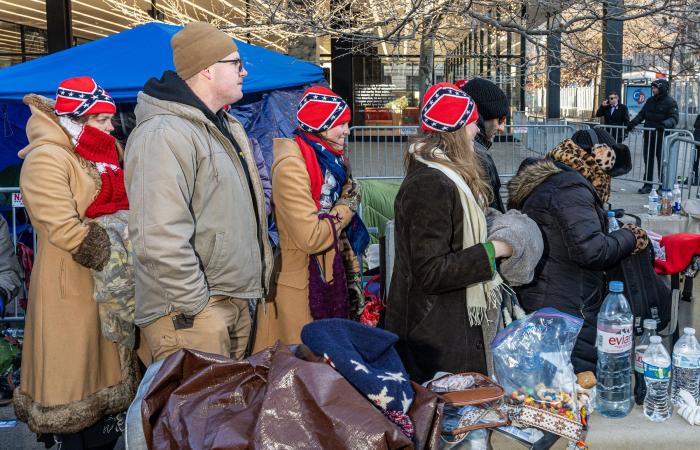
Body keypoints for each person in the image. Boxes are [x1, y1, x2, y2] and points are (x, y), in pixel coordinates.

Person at [125, 22, 272, 362]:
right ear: (206, 69)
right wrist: (197, 304)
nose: (244, 71)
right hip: (190, 312)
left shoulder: (226, 126)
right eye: (236, 63)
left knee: (226, 412)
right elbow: (157, 236)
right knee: (197, 414)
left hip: (228, 301)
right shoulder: (162, 134)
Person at [14, 77, 139, 449]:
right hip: (71, 284)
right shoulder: (47, 157)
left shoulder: (100, 155)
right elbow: (59, 224)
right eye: (101, 121)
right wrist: (111, 250)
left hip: (108, 282)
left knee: (105, 379)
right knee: (76, 382)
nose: (110, 128)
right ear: (78, 119)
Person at [385, 83, 513, 383]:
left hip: (444, 327)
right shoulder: (430, 184)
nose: (475, 131)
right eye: (470, 124)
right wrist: (493, 250)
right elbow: (430, 271)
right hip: (433, 336)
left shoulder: (445, 176)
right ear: (454, 131)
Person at [507, 128, 648, 374]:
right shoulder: (570, 187)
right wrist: (630, 236)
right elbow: (591, 250)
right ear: (600, 157)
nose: (608, 181)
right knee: (571, 383)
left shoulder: (551, 179)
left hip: (547, 297)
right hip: (567, 306)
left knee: (552, 381)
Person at [253, 86, 368, 352]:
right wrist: (347, 205)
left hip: (325, 272)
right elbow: (311, 237)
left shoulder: (330, 161)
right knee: (302, 372)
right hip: (302, 285)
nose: (347, 131)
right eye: (341, 124)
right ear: (321, 125)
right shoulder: (292, 165)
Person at [457, 78, 509, 212]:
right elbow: (493, 215)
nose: (502, 128)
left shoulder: (461, 148)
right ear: (482, 116)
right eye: (501, 120)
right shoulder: (479, 157)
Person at [626, 79, 679, 194]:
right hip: (649, 136)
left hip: (662, 137)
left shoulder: (671, 102)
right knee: (648, 161)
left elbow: (674, 118)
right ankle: (647, 185)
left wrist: (664, 125)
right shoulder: (650, 101)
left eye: (655, 88)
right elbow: (642, 114)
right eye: (652, 88)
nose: (653, 90)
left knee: (662, 162)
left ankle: (662, 185)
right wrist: (632, 123)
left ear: (662, 88)